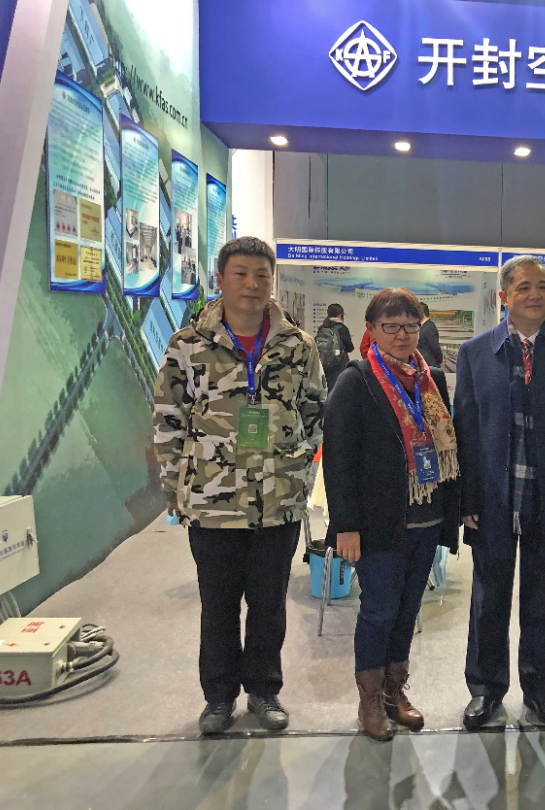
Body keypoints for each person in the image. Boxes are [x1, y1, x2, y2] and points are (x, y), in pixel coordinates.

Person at [153, 236, 326, 734]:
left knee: (269, 604)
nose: (252, 284)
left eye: (262, 275)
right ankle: (218, 698)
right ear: (221, 279)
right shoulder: (188, 345)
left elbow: (316, 410)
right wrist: (174, 483)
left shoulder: (298, 346)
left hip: (278, 500)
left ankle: (265, 692)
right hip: (212, 501)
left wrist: (300, 472)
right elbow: (168, 417)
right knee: (219, 605)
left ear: (272, 281)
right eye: (241, 274)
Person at [453, 255, 545, 730]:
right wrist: (466, 500)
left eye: (543, 286)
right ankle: (485, 690)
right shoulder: (476, 353)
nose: (535, 294)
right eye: (523, 287)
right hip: (493, 500)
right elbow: (465, 431)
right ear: (504, 296)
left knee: (544, 599)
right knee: (488, 599)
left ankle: (540, 692)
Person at [323, 287, 460, 741]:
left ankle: (394, 692)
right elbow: (339, 459)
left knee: (407, 611)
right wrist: (345, 526)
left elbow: (449, 447)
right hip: (378, 523)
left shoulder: (432, 379)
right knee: (379, 611)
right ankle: (369, 699)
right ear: (372, 329)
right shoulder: (356, 380)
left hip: (426, 518)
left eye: (410, 325)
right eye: (391, 326)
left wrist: (453, 514)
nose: (402, 334)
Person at [317, 303, 354, 394]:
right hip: (338, 364)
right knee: (339, 391)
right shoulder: (342, 328)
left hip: (324, 363)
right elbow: (350, 348)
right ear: (340, 314)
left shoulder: (322, 328)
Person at [417, 302, 445, 368]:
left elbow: (435, 347)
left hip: (429, 365)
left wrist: (440, 359)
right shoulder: (422, 326)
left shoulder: (429, 328)